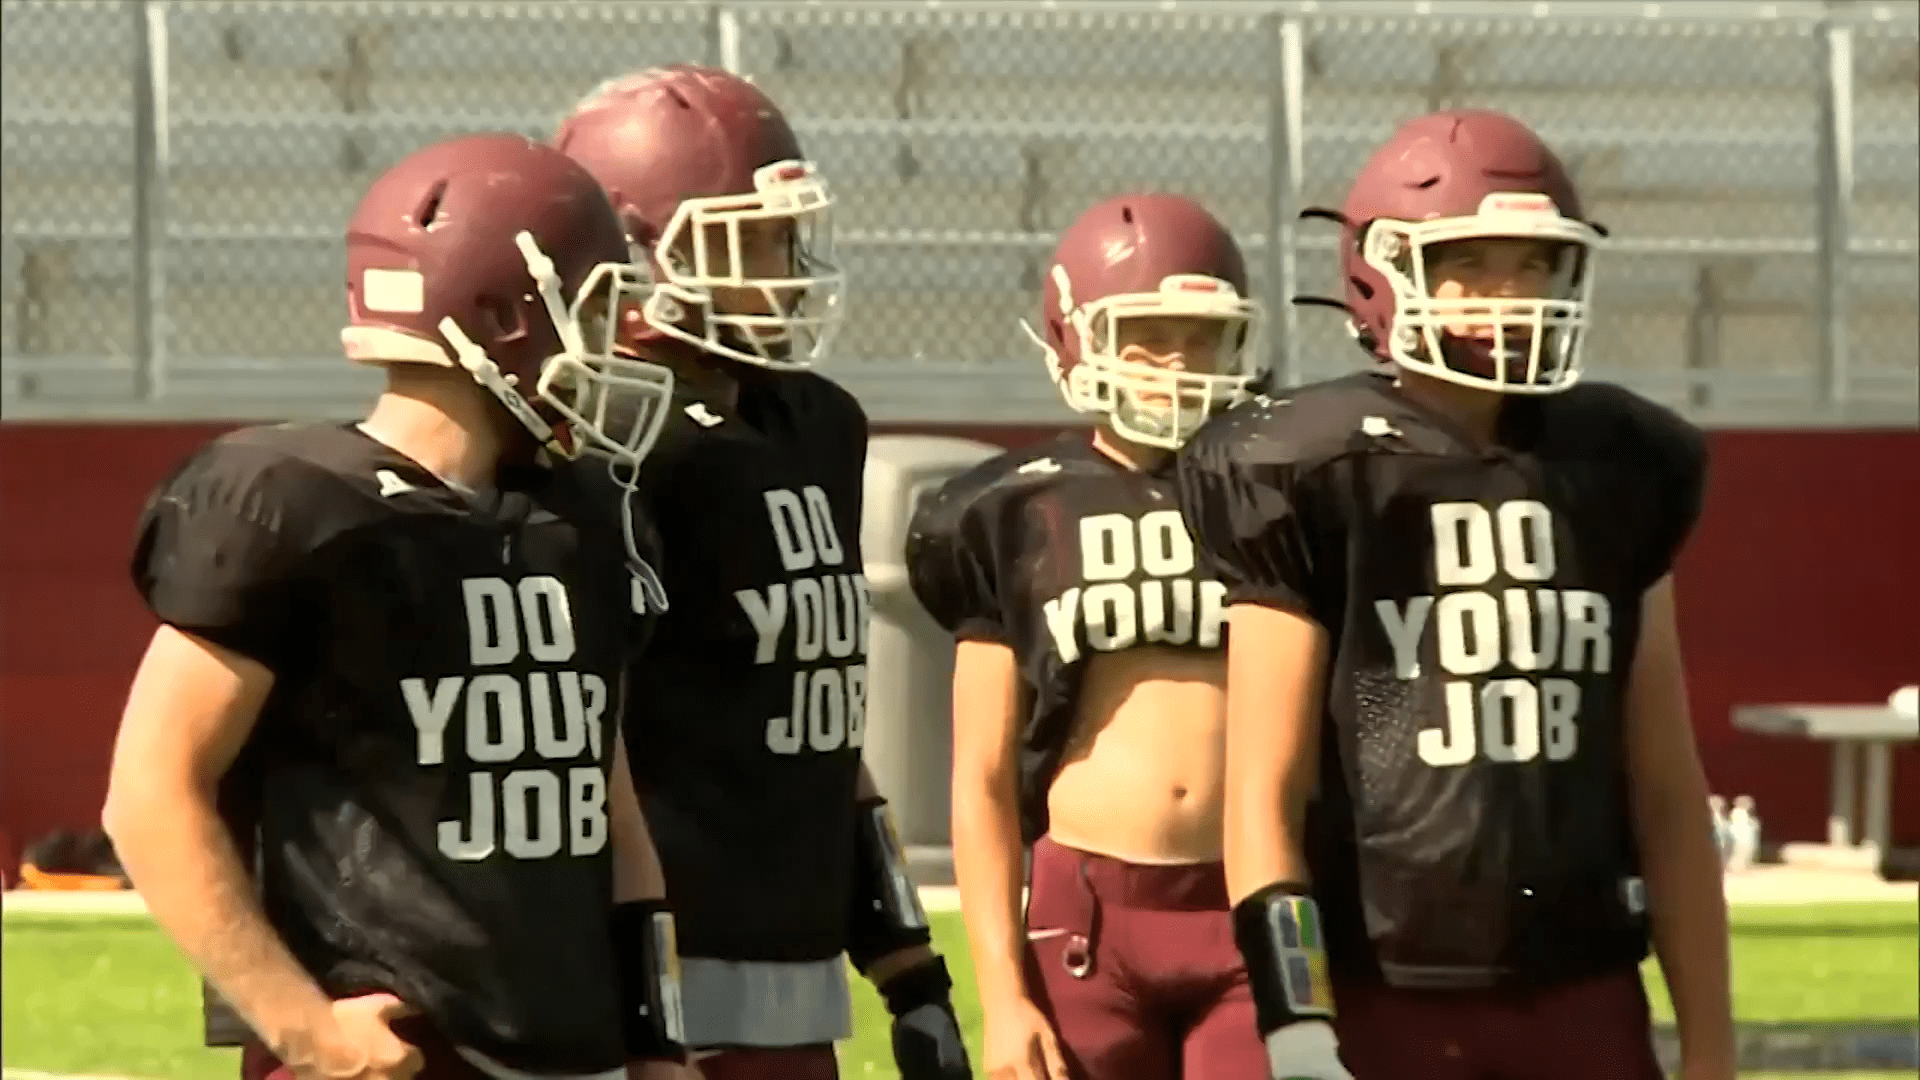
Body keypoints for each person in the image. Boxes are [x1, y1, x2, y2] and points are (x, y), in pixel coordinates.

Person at [102, 133, 694, 1080]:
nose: (614, 341)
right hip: (391, 1053)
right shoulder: (292, 502)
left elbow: (610, 809)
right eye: (593, 310)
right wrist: (304, 1027)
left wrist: (655, 1040)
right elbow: (151, 793)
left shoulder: (581, 516)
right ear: (502, 315)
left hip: (574, 1048)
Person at [1174, 109, 1736, 1080]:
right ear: (1382, 272)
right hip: (1384, 985)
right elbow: (1264, 790)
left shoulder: (1620, 463)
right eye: (1471, 264)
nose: (1507, 295)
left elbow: (1668, 785)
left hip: (1585, 981)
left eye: (1531, 265)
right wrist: (1295, 1019)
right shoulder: (1308, 463)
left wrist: (1713, 1046)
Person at [553, 65, 970, 1080]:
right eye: (747, 244)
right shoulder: (611, 444)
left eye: (785, 239)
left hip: (790, 963)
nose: (783, 272)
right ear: (636, 251)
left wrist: (909, 967)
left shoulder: (812, 421)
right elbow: (584, 739)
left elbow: (821, 717)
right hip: (658, 964)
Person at [906, 193, 1272, 1080]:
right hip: (1088, 918)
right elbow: (983, 777)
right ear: (1079, 339)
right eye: (1149, 336)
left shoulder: (1281, 491)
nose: (1178, 364)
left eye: (1200, 335)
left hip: (1255, 896)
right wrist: (1002, 993)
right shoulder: (1016, 509)